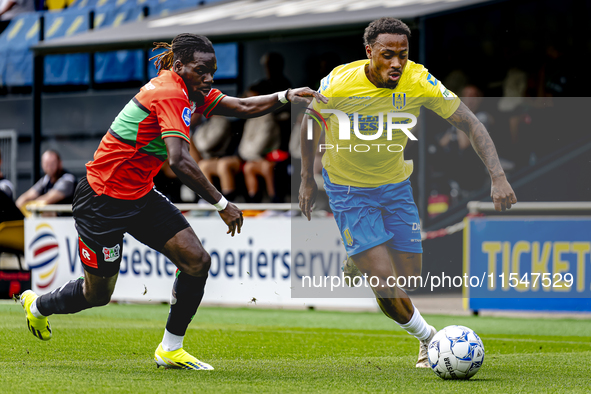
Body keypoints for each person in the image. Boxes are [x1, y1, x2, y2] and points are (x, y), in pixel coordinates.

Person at [19, 33, 325, 370]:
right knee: (97, 295)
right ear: (179, 66)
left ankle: (170, 348)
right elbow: (180, 161)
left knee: (197, 261)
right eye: (201, 70)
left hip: (139, 195)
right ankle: (38, 306)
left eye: (213, 70)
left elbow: (240, 106)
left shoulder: (191, 90)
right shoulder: (169, 93)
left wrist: (285, 95)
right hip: (101, 200)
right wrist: (223, 204)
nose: (209, 78)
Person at [299, 18, 516, 368]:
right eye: (387, 55)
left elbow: (470, 123)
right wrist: (307, 178)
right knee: (385, 283)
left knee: (411, 275)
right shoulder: (340, 81)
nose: (397, 63)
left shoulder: (419, 79)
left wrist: (498, 176)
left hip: (396, 186)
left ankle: (362, 258)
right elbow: (310, 123)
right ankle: (428, 340)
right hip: (349, 190)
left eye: (403, 54)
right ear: (369, 52)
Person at [15, 149, 77, 214]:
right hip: (53, 221)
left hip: (69, 220)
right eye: (46, 164)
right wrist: (16, 209)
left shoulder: (67, 179)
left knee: (46, 212)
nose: (49, 167)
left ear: (60, 163)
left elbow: (47, 199)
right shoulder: (46, 179)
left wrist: (27, 207)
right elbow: (28, 195)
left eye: (52, 163)